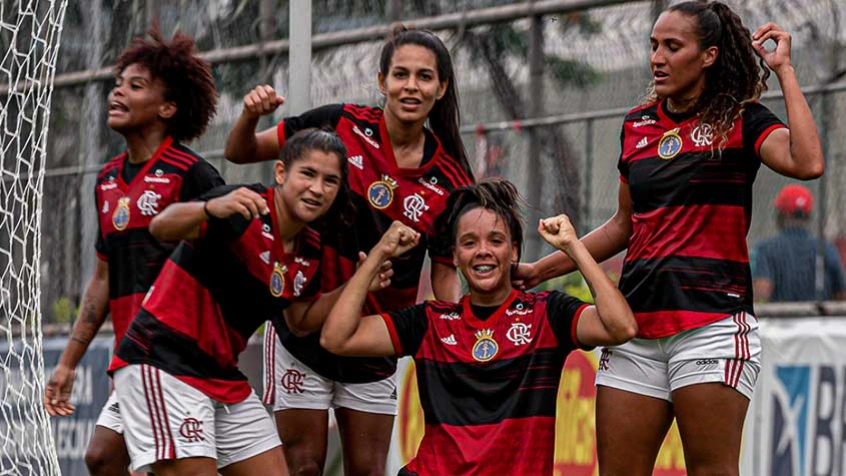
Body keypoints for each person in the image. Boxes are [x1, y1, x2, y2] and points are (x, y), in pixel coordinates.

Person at [514, 2, 824, 474]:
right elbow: (622, 225)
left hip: (712, 327)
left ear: (708, 56)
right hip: (636, 328)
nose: (657, 57)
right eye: (654, 46)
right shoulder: (637, 125)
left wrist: (784, 70)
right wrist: (540, 270)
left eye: (673, 47)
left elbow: (808, 163)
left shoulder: (743, 119)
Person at [224, 25, 474, 475]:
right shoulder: (340, 123)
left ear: (442, 88)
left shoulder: (453, 180)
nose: (410, 86)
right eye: (400, 74)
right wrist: (248, 116)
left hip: (374, 341)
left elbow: (443, 276)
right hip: (303, 331)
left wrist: (456, 338)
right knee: (302, 467)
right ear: (382, 82)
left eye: (423, 77)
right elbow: (241, 152)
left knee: (368, 470)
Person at [110, 129, 389, 475]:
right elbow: (162, 226)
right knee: (119, 458)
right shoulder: (245, 207)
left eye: (330, 180)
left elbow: (300, 321)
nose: (318, 188)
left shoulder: (310, 248)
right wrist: (209, 208)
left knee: (103, 456)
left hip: (221, 374)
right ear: (281, 173)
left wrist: (357, 285)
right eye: (308, 174)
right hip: (165, 361)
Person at [319, 179, 637, 475]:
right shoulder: (428, 321)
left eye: (495, 241)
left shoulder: (548, 314)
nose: (483, 250)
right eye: (469, 243)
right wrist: (378, 256)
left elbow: (620, 327)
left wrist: (574, 248)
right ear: (456, 256)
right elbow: (337, 338)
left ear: (513, 250)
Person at [43, 28, 223, 476]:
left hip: (175, 358)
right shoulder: (105, 181)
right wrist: (67, 364)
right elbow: (102, 280)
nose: (117, 91)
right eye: (118, 82)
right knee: (103, 459)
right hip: (133, 357)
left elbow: (230, 264)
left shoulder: (194, 175)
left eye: (135, 85)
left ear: (167, 108)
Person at [753, 184, 845, 302]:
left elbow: (762, 291)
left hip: (780, 318)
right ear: (808, 215)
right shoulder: (826, 249)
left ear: (781, 214)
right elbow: (841, 295)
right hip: (819, 319)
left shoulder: (766, 249)